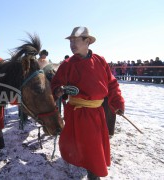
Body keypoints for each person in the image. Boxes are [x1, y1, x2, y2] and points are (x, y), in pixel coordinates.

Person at [51, 26, 125, 179]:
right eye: (70, 41)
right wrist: (59, 90)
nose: (72, 44)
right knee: (91, 150)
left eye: (76, 40)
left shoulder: (100, 60)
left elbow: (112, 84)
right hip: (78, 113)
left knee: (93, 146)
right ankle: (94, 174)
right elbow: (55, 84)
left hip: (98, 112)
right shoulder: (67, 64)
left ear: (87, 42)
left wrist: (117, 102)